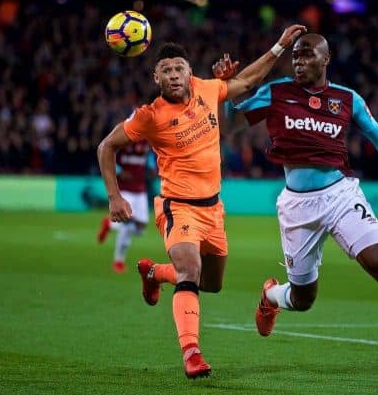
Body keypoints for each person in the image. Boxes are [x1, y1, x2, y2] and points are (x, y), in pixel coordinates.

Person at [214, 33, 378, 378]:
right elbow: (228, 128)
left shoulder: (347, 100)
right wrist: (226, 90)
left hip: (341, 195)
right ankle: (271, 297)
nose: (298, 62)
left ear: (326, 59)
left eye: (306, 56)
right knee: (303, 299)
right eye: (296, 57)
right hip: (297, 206)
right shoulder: (278, 92)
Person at [96, 24, 307, 379]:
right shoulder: (149, 115)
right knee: (190, 272)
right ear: (156, 78)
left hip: (214, 209)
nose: (174, 75)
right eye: (166, 70)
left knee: (211, 284)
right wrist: (114, 196)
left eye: (179, 68)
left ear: (189, 72)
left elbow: (245, 83)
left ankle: (154, 273)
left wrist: (279, 47)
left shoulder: (205, 90)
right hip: (178, 207)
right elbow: (106, 147)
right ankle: (192, 354)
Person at [96, 141, 155, 273]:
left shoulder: (146, 142)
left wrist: (152, 168)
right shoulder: (124, 140)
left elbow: (149, 158)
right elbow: (107, 155)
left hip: (140, 189)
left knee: (141, 228)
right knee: (126, 224)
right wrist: (119, 171)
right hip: (125, 190)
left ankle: (110, 225)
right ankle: (118, 261)